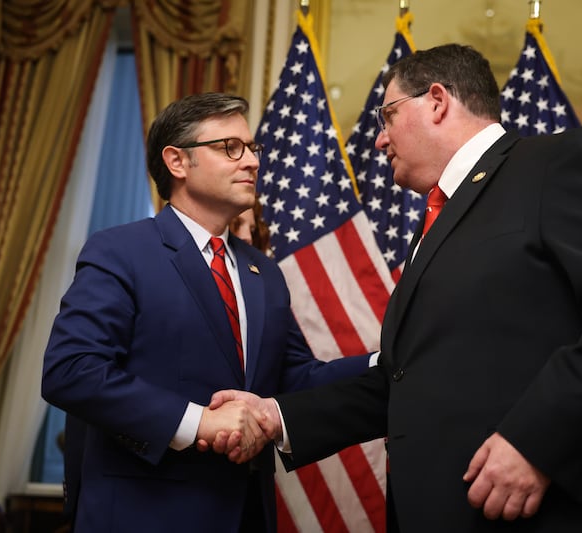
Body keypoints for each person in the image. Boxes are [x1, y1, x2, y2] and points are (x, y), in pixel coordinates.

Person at [208, 44, 582, 532]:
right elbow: (405, 380)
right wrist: (277, 415)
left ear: (437, 101)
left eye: (388, 116)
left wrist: (539, 441)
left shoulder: (557, 162)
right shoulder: (435, 223)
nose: (379, 140)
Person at [41, 92, 372, 533]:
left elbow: (296, 378)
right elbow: (71, 370)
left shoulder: (263, 272)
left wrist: (385, 363)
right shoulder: (121, 250)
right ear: (177, 162)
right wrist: (199, 422)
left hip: (246, 514)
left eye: (252, 149)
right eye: (230, 148)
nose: (252, 162)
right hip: (145, 514)